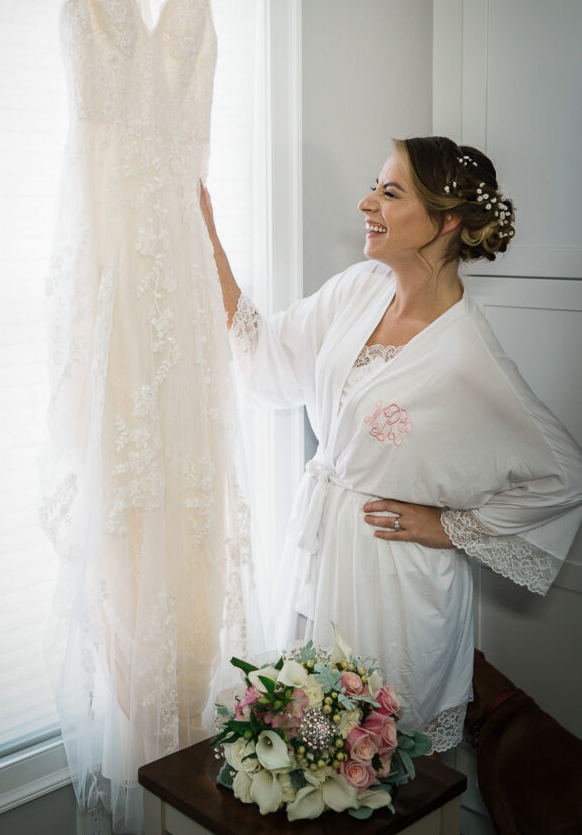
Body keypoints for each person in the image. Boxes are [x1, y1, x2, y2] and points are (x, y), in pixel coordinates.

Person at [200, 135, 582, 752]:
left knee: (376, 760)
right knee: (305, 740)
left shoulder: (466, 355)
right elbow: (268, 358)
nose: (365, 202)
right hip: (320, 551)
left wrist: (449, 527)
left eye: (389, 191)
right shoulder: (360, 287)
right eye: (375, 186)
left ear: (447, 220)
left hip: (393, 577)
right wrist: (206, 240)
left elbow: (565, 476)